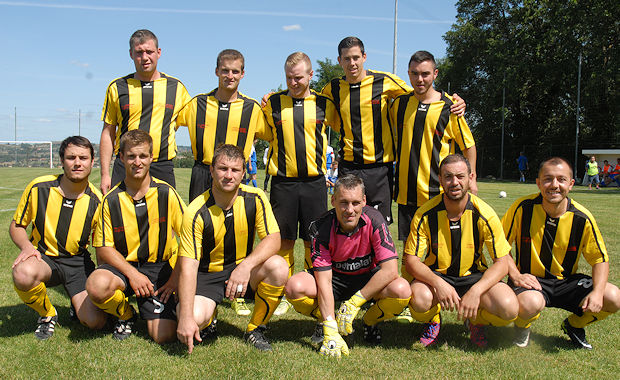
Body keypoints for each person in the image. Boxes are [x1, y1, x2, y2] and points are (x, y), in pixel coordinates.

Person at [321, 37, 466, 224]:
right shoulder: (332, 88)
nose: (352, 63)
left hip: (380, 168)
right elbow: (310, 100)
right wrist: (270, 98)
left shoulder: (384, 81)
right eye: (347, 58)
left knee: (378, 225)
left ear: (364, 57)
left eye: (356, 57)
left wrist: (453, 100)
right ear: (339, 60)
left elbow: (419, 93)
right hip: (349, 166)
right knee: (347, 223)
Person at [176, 144, 288, 352]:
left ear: (244, 172)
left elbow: (274, 239)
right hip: (207, 276)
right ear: (211, 170)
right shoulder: (196, 211)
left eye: (235, 170)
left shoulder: (255, 197)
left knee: (279, 267)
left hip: (241, 272)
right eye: (223, 168)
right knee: (195, 319)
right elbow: (188, 267)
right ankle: (210, 319)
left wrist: (245, 266)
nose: (229, 175)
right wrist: (185, 318)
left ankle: (255, 329)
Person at [285, 174, 411, 357]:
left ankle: (369, 321)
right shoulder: (320, 227)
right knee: (294, 287)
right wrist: (330, 327)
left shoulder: (375, 220)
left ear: (364, 201)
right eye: (343, 203)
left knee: (402, 290)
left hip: (367, 278)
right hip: (334, 279)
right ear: (333, 200)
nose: (349, 210)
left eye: (355, 203)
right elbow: (324, 280)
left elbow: (391, 270)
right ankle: (328, 322)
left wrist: (354, 303)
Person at [502, 157, 620, 349]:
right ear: (538, 183)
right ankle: (522, 326)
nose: (554, 185)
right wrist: (516, 275)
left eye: (561, 179)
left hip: (567, 282)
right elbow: (501, 248)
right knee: (531, 302)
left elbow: (599, 259)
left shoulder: (582, 218)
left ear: (571, 184)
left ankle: (574, 325)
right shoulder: (522, 208)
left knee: (613, 296)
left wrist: (597, 293)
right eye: (548, 179)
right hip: (531, 280)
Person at [403, 154, 518, 348]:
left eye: (460, 176)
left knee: (509, 308)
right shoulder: (425, 214)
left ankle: (476, 320)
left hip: (474, 276)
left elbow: (502, 262)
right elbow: (411, 260)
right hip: (437, 275)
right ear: (440, 180)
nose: (454, 182)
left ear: (470, 178)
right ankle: (433, 320)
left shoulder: (485, 214)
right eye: (448, 177)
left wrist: (477, 291)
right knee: (418, 299)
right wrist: (438, 283)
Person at [87, 130, 186, 343]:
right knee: (96, 285)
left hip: (158, 269)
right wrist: (133, 274)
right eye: (131, 156)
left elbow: (188, 239)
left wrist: (175, 278)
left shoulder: (166, 193)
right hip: (123, 268)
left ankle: (168, 306)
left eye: (142, 156)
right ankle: (125, 313)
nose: (137, 162)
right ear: (121, 158)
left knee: (164, 336)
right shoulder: (111, 199)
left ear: (151, 157)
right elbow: (104, 248)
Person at [10, 136, 106, 339]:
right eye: (71, 157)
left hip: (78, 263)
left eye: (83, 157)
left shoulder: (97, 202)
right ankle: (47, 314)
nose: (77, 163)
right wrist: (27, 247)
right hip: (43, 258)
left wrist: (102, 278)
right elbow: (17, 226)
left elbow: (100, 247)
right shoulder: (39, 188)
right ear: (62, 161)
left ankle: (76, 303)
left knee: (95, 321)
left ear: (92, 161)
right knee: (23, 273)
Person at [259, 52, 341, 276]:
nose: (293, 83)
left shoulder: (325, 104)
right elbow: (264, 132)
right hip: (283, 183)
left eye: (298, 78)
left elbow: (348, 124)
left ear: (310, 75)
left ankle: (311, 283)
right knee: (283, 239)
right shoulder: (273, 102)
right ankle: (283, 286)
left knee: (313, 238)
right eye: (289, 78)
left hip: (314, 183)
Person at [391, 50, 477, 244]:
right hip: (406, 194)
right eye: (414, 73)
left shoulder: (450, 108)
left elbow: (469, 146)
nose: (419, 79)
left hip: (438, 193)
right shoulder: (399, 104)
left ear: (435, 74)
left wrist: (471, 179)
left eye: (425, 74)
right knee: (409, 254)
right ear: (408, 73)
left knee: (439, 250)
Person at [100, 29, 191, 194]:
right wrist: (105, 174)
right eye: (139, 52)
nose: (145, 57)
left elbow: (197, 122)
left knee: (163, 218)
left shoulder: (176, 87)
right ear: (131, 54)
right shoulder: (117, 87)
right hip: (126, 165)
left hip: (161, 164)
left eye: (149, 51)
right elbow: (108, 132)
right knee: (121, 217)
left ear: (159, 52)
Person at [177, 49, 266, 202]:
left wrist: (270, 106)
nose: (230, 76)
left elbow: (274, 135)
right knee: (198, 223)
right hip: (202, 173)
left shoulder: (252, 109)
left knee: (235, 224)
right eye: (225, 70)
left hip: (234, 175)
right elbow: (170, 123)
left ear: (242, 74)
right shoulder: (197, 104)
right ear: (217, 71)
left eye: (235, 71)